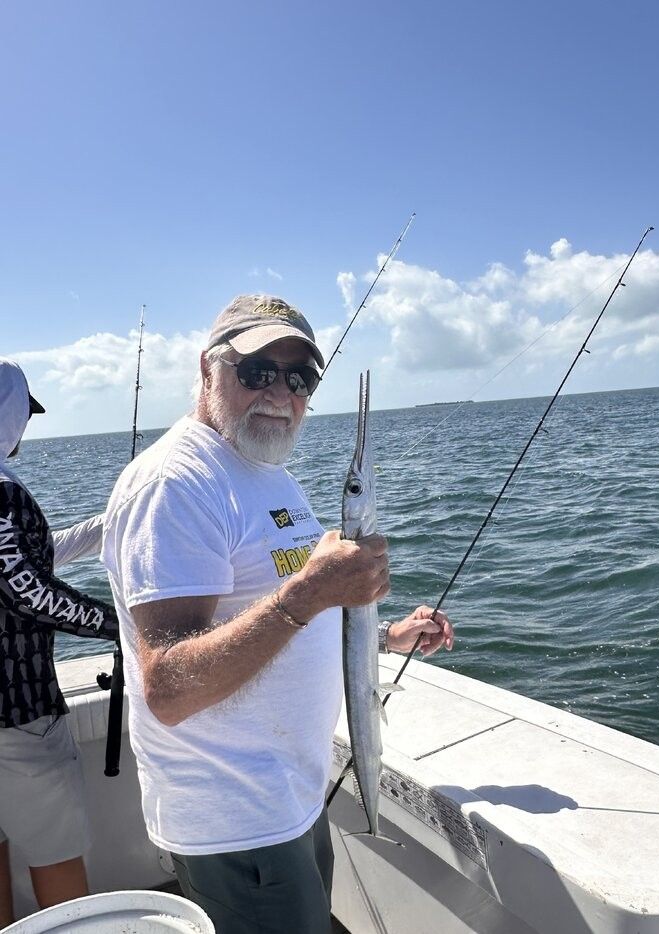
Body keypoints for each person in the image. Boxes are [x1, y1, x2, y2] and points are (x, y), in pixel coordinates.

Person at [101, 294, 454, 934]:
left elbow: (281, 619)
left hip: (290, 798)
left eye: (301, 379)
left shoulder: (266, 471)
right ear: (208, 369)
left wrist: (390, 635)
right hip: (235, 824)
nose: (281, 393)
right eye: (257, 370)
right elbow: (169, 689)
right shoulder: (176, 485)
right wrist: (309, 592)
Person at [0, 359, 119, 928]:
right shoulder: (3, 493)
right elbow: (26, 590)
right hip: (20, 719)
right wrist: (117, 622)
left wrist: (103, 526)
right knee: (61, 875)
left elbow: (16, 561)